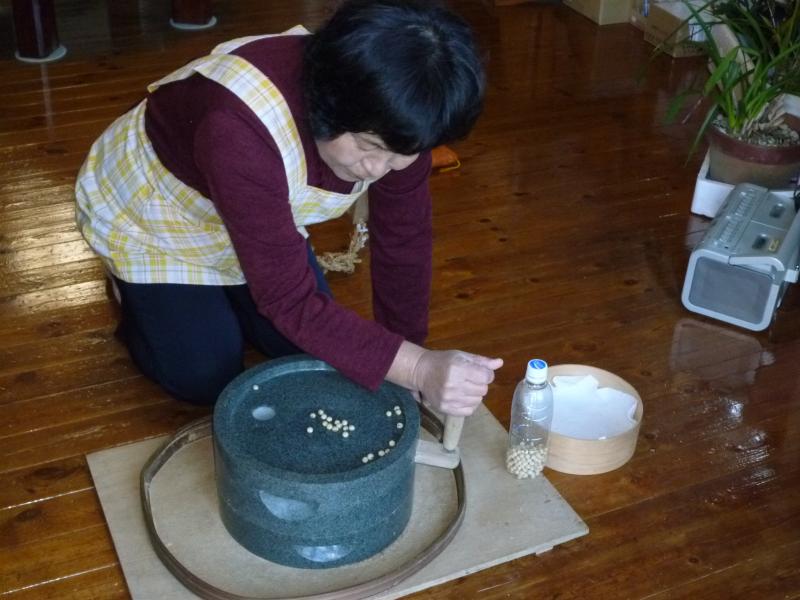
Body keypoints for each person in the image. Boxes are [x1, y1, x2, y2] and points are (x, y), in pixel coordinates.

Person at [75, 0, 503, 415]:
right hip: (157, 214)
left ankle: (220, 297)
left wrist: (409, 355)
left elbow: (404, 242)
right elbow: (288, 299)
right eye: (367, 146)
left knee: (311, 352)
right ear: (328, 103)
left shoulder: (406, 126)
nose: (377, 168)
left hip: (256, 214)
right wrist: (418, 367)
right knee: (204, 377)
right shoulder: (236, 127)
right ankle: (134, 291)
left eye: (398, 156)